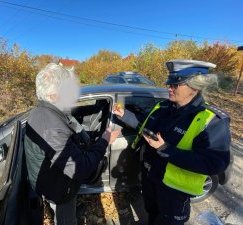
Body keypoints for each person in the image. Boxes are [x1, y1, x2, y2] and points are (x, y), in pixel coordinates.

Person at [112, 59, 231, 225]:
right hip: (150, 179)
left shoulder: (212, 120)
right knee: (152, 215)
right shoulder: (163, 107)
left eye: (175, 85)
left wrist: (166, 149)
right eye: (169, 83)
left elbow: (215, 164)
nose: (169, 87)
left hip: (174, 192)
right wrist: (124, 114)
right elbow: (144, 124)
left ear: (195, 88)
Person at [24, 63, 120, 225]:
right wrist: (105, 140)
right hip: (60, 189)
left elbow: (68, 127)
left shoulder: (44, 111)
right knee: (66, 219)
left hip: (54, 180)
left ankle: (70, 210)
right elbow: (80, 168)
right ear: (54, 95)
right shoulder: (52, 129)